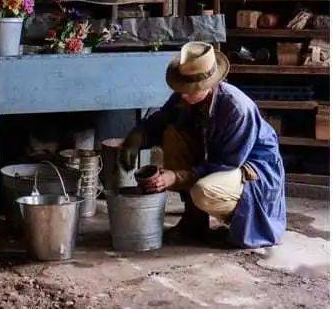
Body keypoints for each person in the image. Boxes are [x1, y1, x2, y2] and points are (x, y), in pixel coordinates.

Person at [119, 41, 286, 248]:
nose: (183, 94)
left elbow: (225, 163)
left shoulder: (236, 109)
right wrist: (137, 137)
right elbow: (163, 118)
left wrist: (177, 176)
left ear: (209, 84)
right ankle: (194, 222)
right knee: (171, 132)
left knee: (203, 191)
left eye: (190, 89)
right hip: (219, 160)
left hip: (250, 170)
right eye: (183, 88)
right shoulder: (186, 96)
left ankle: (234, 219)